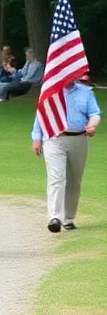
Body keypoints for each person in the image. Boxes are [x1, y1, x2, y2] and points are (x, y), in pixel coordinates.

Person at [32, 75, 100, 233]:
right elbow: (40, 115)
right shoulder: (50, 91)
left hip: (79, 138)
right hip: (54, 138)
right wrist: (37, 138)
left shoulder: (85, 92)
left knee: (74, 179)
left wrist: (92, 125)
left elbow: (95, 113)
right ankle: (55, 217)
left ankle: (68, 217)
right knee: (56, 177)